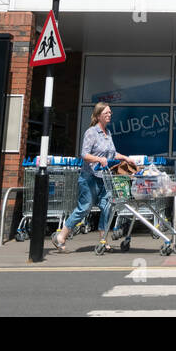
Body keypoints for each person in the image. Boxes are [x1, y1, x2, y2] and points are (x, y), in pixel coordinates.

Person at [52, 103, 120, 251]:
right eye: (107, 113)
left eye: (110, 113)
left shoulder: (108, 133)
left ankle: (103, 240)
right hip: (89, 177)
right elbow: (84, 154)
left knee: (107, 207)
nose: (110, 115)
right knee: (84, 208)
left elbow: (112, 154)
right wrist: (98, 159)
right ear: (98, 116)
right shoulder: (91, 132)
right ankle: (61, 236)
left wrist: (126, 158)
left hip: (104, 179)